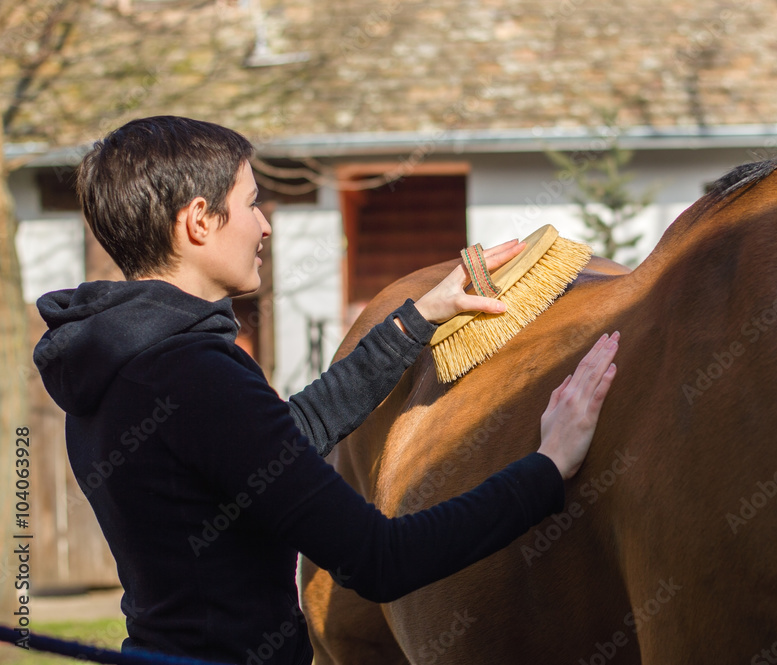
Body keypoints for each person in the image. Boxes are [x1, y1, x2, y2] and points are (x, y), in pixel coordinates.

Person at [32, 116, 619, 665]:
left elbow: (277, 445)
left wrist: (416, 321)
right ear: (199, 221)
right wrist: (547, 466)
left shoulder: (116, 363)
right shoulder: (194, 376)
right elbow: (379, 559)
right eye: (252, 203)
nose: (264, 225)